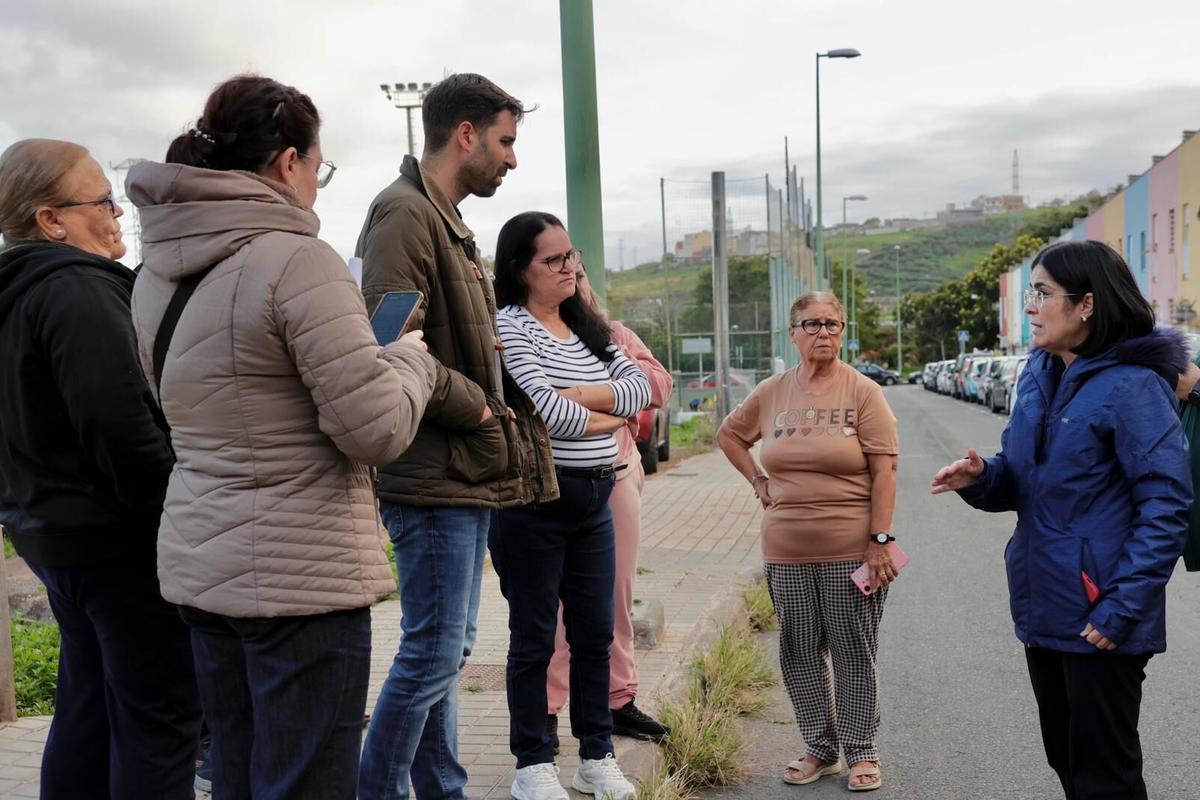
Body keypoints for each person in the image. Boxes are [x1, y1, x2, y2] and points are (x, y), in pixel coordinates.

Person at [127, 74, 437, 800]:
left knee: (235, 772)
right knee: (305, 782)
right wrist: (409, 362)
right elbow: (377, 429)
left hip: (205, 566)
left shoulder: (155, 273)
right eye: (318, 167)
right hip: (301, 580)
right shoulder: (298, 261)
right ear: (288, 162)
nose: (317, 187)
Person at [354, 72, 557, 800]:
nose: (511, 159)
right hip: (432, 468)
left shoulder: (445, 219)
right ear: (465, 134)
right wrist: (474, 408)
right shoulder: (405, 215)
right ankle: (377, 790)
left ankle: (443, 788)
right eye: (505, 141)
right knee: (435, 651)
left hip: (460, 470)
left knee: (446, 651)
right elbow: (385, 339)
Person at [931, 240, 1191, 800]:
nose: (1030, 306)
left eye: (1043, 293)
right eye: (1031, 292)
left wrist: (1122, 607)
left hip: (1102, 611)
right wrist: (981, 478)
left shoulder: (1134, 386)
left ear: (1087, 305)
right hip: (1044, 601)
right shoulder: (1038, 376)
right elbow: (1026, 481)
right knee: (1067, 759)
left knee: (1106, 776)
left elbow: (1166, 504)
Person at [0, 139, 202, 799]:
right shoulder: (77, 290)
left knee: (87, 711)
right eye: (102, 202)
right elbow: (121, 430)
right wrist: (179, 516)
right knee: (160, 721)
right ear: (51, 220)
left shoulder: (18, 293)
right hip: (119, 543)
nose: (119, 214)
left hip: (55, 536)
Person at [491, 212, 650, 800]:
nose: (569, 268)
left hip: (596, 498)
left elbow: (639, 394)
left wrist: (582, 399)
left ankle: (596, 755)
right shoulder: (511, 327)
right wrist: (605, 409)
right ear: (519, 269)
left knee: (593, 634)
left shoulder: (586, 325)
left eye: (571, 256)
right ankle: (533, 764)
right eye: (553, 260)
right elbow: (549, 415)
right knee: (534, 638)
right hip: (533, 501)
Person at [716, 291, 899, 793]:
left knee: (852, 649)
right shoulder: (773, 391)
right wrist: (757, 479)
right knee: (798, 649)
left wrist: (880, 539)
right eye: (812, 324)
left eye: (833, 324)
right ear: (792, 333)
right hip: (785, 548)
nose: (824, 333)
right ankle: (820, 747)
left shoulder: (863, 392)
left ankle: (863, 751)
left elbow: (885, 472)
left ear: (843, 331)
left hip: (851, 547)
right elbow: (729, 436)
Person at [544, 266, 672, 748]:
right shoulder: (526, 336)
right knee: (551, 605)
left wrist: (589, 394)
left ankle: (617, 701)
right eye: (559, 272)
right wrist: (616, 403)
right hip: (550, 483)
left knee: (613, 594)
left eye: (578, 273)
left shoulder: (612, 334)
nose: (573, 282)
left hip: (614, 477)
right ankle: (546, 708)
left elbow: (658, 386)